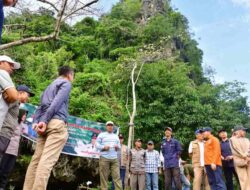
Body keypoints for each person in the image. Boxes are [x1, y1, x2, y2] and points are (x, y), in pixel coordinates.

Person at [23, 66, 74, 190]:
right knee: (46, 162)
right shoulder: (66, 83)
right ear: (70, 75)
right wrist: (44, 121)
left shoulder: (48, 87)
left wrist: (36, 121)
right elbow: (56, 102)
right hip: (55, 124)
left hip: (43, 125)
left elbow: (40, 107)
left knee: (36, 161)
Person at [0, 85, 34, 156]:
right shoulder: (14, 100)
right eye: (28, 95)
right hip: (3, 132)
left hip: (6, 134)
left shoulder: (17, 103)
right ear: (21, 93)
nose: (28, 98)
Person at [0, 108, 28, 189]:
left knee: (8, 170)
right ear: (20, 114)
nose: (25, 116)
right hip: (7, 149)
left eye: (26, 115)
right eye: (24, 115)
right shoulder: (13, 122)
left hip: (14, 151)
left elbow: (26, 132)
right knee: (1, 168)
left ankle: (2, 187)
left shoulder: (23, 125)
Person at [95, 121, 122, 190]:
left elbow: (119, 146)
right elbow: (96, 144)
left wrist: (117, 147)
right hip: (104, 158)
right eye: (108, 125)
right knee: (104, 177)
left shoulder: (116, 136)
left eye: (111, 125)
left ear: (113, 127)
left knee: (117, 176)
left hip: (114, 158)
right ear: (106, 127)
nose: (110, 126)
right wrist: (103, 147)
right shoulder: (101, 135)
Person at [0, 55, 19, 130]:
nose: (12, 68)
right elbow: (14, 96)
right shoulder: (2, 72)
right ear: (1, 63)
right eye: (10, 64)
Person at [229, 125, 250, 190]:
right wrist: (245, 156)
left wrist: (248, 155)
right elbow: (235, 151)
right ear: (238, 131)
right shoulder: (232, 139)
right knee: (243, 180)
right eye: (243, 130)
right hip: (240, 162)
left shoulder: (247, 139)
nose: (245, 132)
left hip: (249, 160)